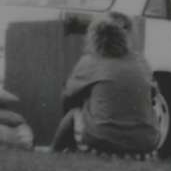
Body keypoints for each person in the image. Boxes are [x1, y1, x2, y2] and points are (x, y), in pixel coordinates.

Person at [51, 11, 159, 157]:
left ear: (93, 38)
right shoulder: (141, 61)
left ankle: (54, 152)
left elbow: (67, 98)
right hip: (145, 145)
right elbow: (152, 96)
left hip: (103, 143)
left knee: (74, 112)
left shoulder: (90, 61)